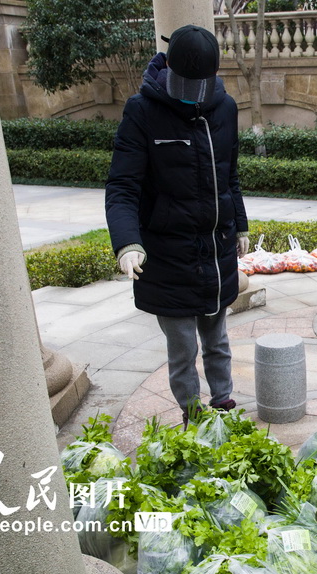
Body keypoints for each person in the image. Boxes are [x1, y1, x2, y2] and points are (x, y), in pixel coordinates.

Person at [105, 24, 250, 427]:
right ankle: (193, 416)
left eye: (201, 84)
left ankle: (223, 405)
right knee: (183, 347)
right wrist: (127, 243)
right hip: (168, 255)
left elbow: (230, 175)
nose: (194, 94)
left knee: (218, 339)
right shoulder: (142, 111)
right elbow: (122, 187)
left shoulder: (225, 108)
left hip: (215, 249)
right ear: (167, 66)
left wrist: (239, 224)